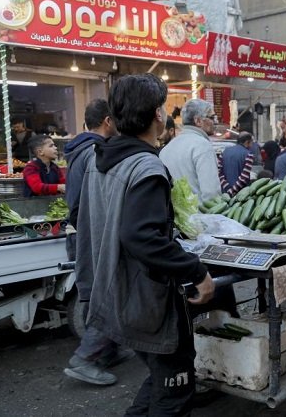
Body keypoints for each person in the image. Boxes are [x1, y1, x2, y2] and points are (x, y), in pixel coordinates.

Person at [75, 74, 214, 414]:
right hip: (146, 300)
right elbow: (141, 236)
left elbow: (86, 222)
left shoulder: (99, 160)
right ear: (156, 114)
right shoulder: (147, 167)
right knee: (174, 388)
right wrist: (197, 272)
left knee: (161, 376)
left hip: (113, 294)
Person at [62, 99, 130, 386]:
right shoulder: (94, 152)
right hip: (91, 230)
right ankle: (85, 358)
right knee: (107, 293)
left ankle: (107, 351)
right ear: (107, 121)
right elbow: (89, 202)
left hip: (80, 230)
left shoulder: (77, 150)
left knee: (98, 293)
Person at [159, 99, 222, 203]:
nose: (216, 121)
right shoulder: (203, 146)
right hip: (199, 217)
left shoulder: (166, 150)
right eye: (211, 117)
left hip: (173, 216)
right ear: (198, 121)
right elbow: (211, 194)